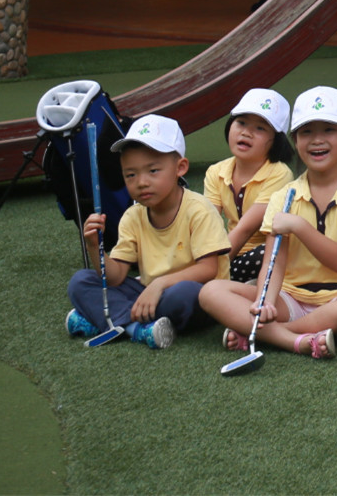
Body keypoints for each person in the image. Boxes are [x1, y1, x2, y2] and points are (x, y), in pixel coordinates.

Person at [199, 86, 337, 360]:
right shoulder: (284, 196)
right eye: (306, 132)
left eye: (328, 130)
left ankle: (268, 334)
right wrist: (265, 301)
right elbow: (275, 262)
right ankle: (296, 341)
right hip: (290, 299)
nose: (317, 140)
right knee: (211, 291)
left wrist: (298, 226)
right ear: (295, 139)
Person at [64, 115, 227, 348]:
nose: (141, 182)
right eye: (131, 174)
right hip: (148, 292)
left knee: (183, 293)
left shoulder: (199, 209)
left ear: (180, 168)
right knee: (81, 281)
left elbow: (208, 269)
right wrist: (94, 247)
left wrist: (158, 285)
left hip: (196, 296)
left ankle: (106, 320)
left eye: (153, 171)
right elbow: (116, 276)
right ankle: (136, 328)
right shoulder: (133, 215)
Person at [202, 89, 295, 283]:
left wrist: (210, 271)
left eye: (260, 128)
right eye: (241, 122)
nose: (246, 132)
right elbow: (208, 225)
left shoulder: (279, 173)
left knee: (270, 253)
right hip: (229, 252)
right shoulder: (216, 171)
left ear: (276, 140)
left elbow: (245, 229)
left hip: (262, 255)